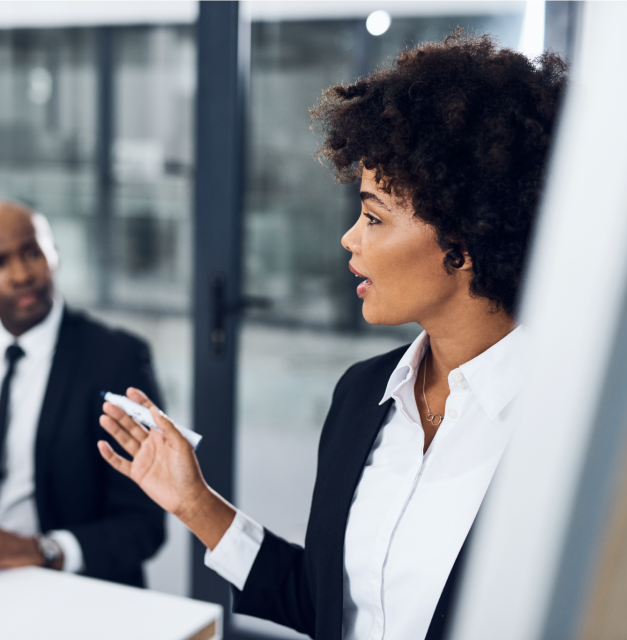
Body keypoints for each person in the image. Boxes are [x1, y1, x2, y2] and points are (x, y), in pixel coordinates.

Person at [98, 32, 568, 638]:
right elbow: (324, 604)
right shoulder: (363, 395)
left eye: (373, 217)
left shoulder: (561, 428)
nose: (350, 237)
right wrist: (195, 501)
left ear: (464, 242)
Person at [0, 201, 165, 587]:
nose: (22, 274)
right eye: (1, 261)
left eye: (32, 253)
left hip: (68, 586)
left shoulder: (117, 359)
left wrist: (46, 551)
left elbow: (143, 524)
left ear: (54, 255)